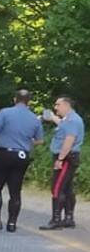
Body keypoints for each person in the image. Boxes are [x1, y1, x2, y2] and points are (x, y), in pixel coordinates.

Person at [0, 89, 44, 232]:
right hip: (22, 156)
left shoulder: (5, 113)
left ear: (15, 99)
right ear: (29, 102)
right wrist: (27, 142)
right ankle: (12, 224)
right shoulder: (34, 119)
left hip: (5, 154)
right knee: (15, 190)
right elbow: (40, 140)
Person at [39, 96, 85, 230]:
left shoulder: (72, 120)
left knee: (57, 188)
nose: (56, 107)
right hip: (69, 157)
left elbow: (69, 140)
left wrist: (60, 159)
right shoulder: (69, 119)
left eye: (58, 105)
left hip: (65, 158)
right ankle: (69, 218)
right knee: (67, 188)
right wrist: (52, 117)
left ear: (66, 105)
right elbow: (62, 126)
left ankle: (56, 220)